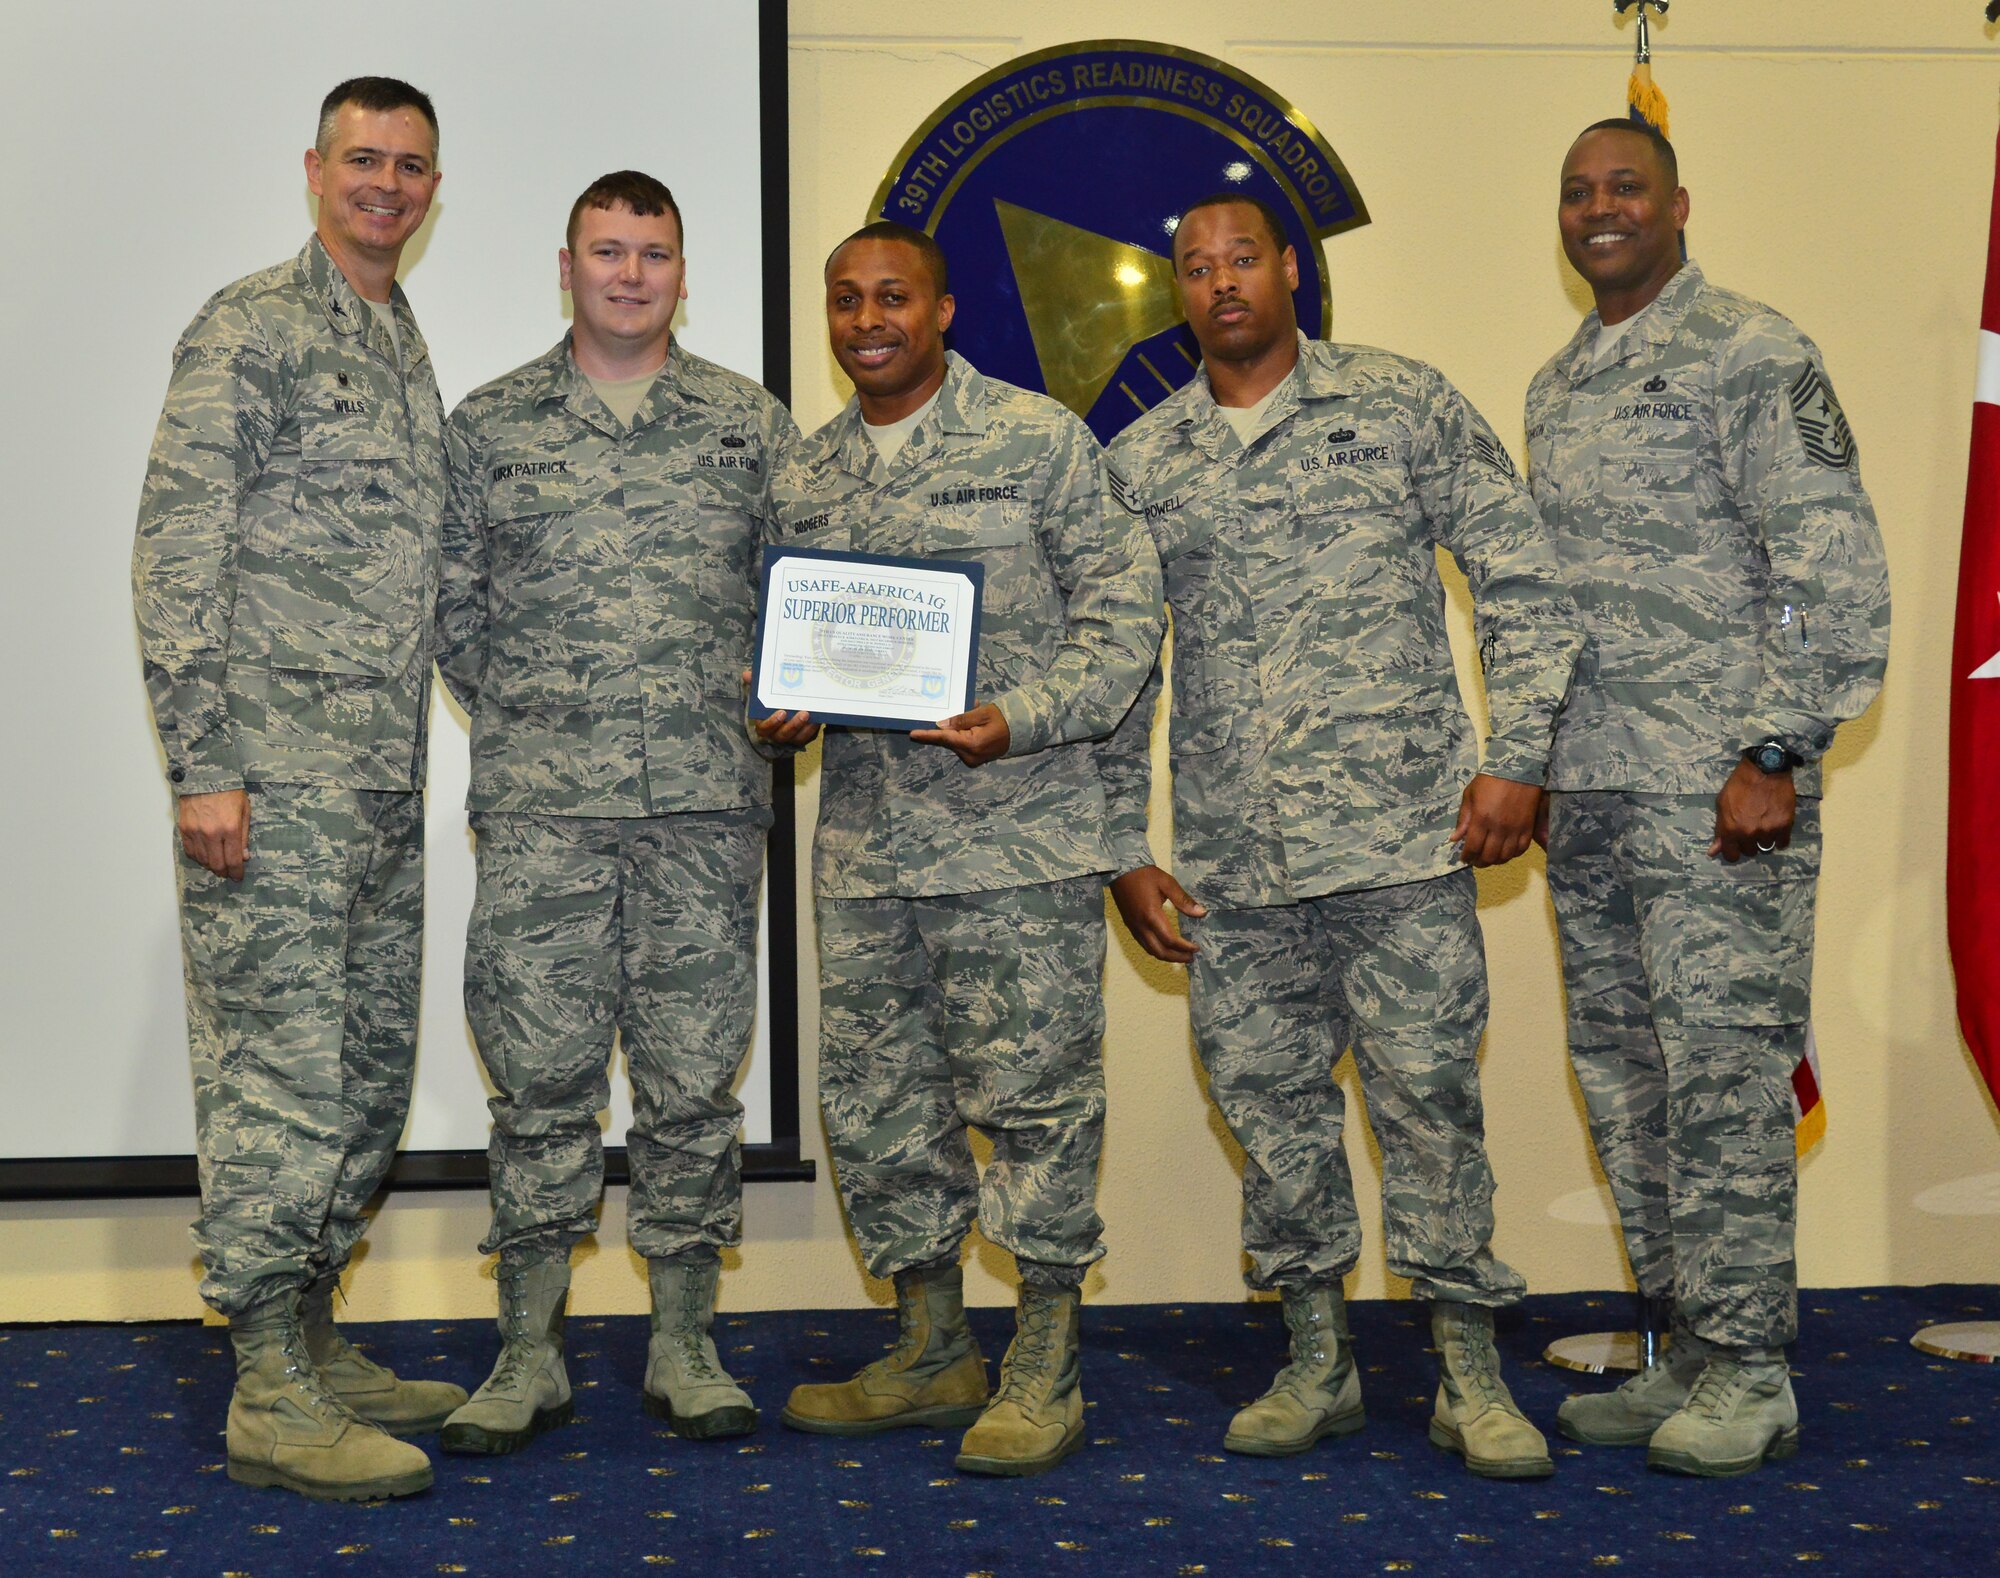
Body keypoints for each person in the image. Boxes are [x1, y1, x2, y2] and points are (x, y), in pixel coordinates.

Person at [1102, 194, 1582, 1480]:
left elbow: (1518, 574)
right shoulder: (1144, 462)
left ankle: (1467, 1375)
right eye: (1193, 270)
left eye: (1240, 259)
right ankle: (1315, 1363)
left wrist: (1514, 756)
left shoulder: (1399, 404)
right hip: (1234, 866)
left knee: (1429, 1107)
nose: (1220, 285)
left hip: (1402, 846)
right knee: (1270, 1116)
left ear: (1291, 269)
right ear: (1177, 293)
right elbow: (1111, 668)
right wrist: (1120, 847)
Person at [762, 221, 1162, 1477]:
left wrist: (1023, 717)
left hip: (1014, 842)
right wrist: (773, 705)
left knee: (1035, 1111)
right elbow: (782, 643)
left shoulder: (1038, 442)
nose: (866, 318)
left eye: (892, 296)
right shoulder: (804, 476)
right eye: (843, 299)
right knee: (880, 1112)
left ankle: (1045, 1364)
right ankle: (932, 1347)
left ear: (941, 310)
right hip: (870, 854)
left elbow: (1125, 615)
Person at [1524, 120, 1890, 1477]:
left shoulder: (1755, 351)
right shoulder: (1557, 386)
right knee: (1627, 1079)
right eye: (1577, 192)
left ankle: (1750, 1368)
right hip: (1600, 797)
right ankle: (1682, 1340)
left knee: (1727, 1079)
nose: (1600, 209)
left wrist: (1776, 750)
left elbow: (1834, 571)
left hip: (1723, 795)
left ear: (1679, 204)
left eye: (1625, 186)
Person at [131, 76, 461, 1501]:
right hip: (267, 783)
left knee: (360, 1071)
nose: (386, 183)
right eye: (363, 159)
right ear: (314, 169)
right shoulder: (250, 326)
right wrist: (203, 764)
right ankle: (268, 1383)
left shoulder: (399, 339)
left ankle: (316, 1336)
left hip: (375, 787)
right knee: (276, 1077)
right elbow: (175, 550)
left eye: (410, 165)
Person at [432, 172, 798, 1454]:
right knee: (539, 1086)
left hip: (704, 807)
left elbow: (796, 600)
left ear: (682, 273)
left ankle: (684, 1345)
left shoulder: (751, 428)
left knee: (695, 1086)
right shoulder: (490, 426)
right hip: (545, 817)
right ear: (567, 265)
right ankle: (526, 1349)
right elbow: (455, 618)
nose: (629, 274)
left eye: (653, 253)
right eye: (606, 251)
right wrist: (549, 727)